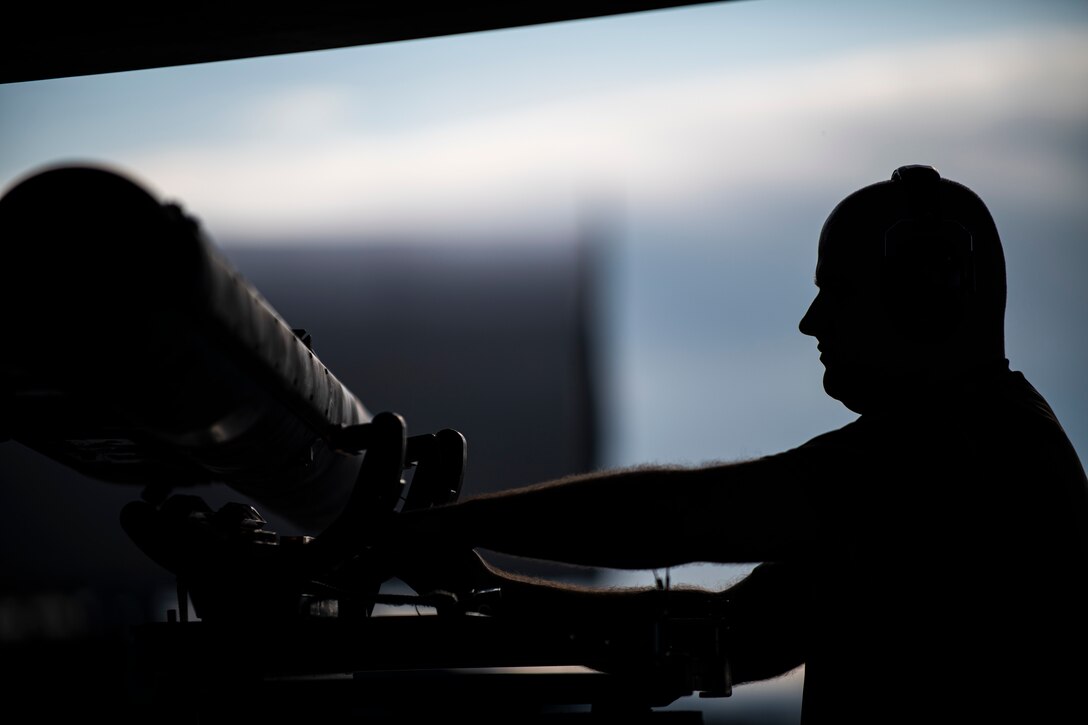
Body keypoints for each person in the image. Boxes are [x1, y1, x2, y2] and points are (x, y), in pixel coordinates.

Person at [377, 166, 1088, 723]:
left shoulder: (963, 453)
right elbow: (719, 637)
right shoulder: (961, 453)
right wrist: (485, 589)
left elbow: (681, 516)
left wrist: (445, 526)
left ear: (926, 294)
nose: (811, 322)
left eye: (838, 292)